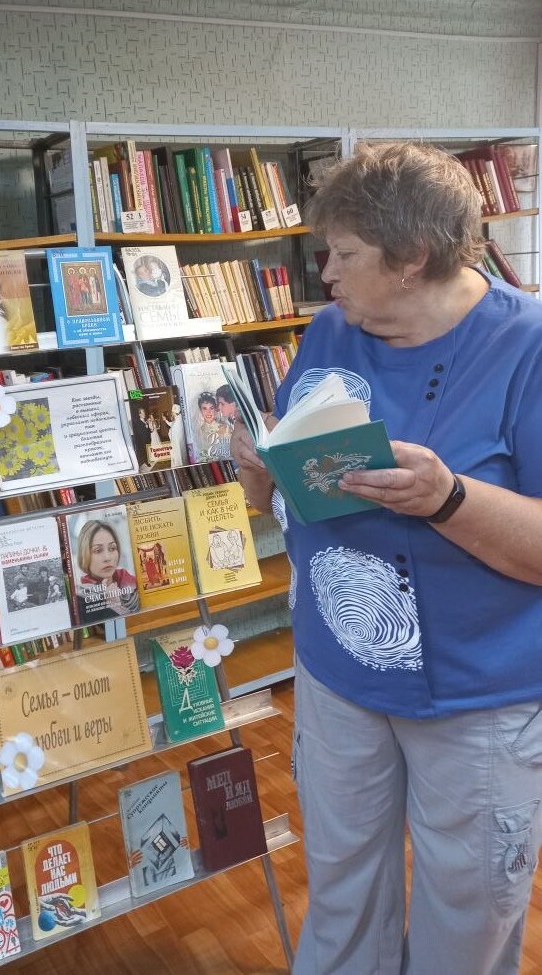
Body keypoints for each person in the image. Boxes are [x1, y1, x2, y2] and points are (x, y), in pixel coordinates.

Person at [230, 141, 542, 975]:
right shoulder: (332, 330)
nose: (323, 273)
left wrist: (448, 498)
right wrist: (266, 480)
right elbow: (297, 489)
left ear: (410, 260)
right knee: (342, 896)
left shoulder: (530, 347)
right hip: (338, 676)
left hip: (477, 695)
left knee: (467, 916)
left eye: (343, 254)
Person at [74, 519, 139, 621]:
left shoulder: (133, 582)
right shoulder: (81, 598)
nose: (107, 557)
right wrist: (113, 605)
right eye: (98, 550)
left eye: (112, 548)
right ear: (84, 555)